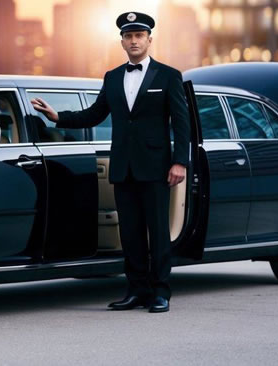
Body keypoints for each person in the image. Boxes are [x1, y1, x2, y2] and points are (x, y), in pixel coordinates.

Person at [30, 11, 190, 313]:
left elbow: (182, 124)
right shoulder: (113, 77)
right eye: (128, 36)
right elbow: (94, 113)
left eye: (139, 36)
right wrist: (58, 117)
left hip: (156, 167)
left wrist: (179, 161)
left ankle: (160, 292)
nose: (133, 41)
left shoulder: (169, 76)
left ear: (149, 40)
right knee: (129, 234)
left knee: (157, 232)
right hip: (123, 167)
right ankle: (136, 290)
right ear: (122, 42)